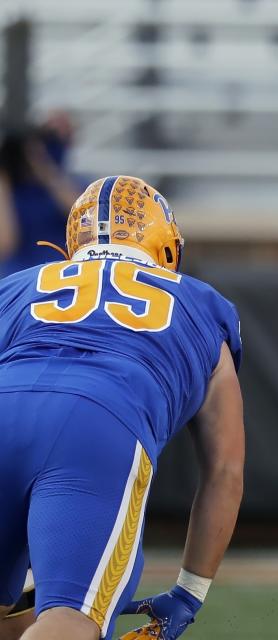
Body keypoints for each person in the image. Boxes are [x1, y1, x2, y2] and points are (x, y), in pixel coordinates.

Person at [0, 176, 245, 640]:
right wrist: (190, 592)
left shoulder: (18, 285)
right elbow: (225, 471)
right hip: (99, 420)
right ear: (165, 245)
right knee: (72, 617)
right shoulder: (201, 304)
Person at [0, 112, 82, 278]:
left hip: (60, 275)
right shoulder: (9, 193)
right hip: (19, 278)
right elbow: (6, 244)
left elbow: (82, 215)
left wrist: (43, 166)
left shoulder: (68, 184)